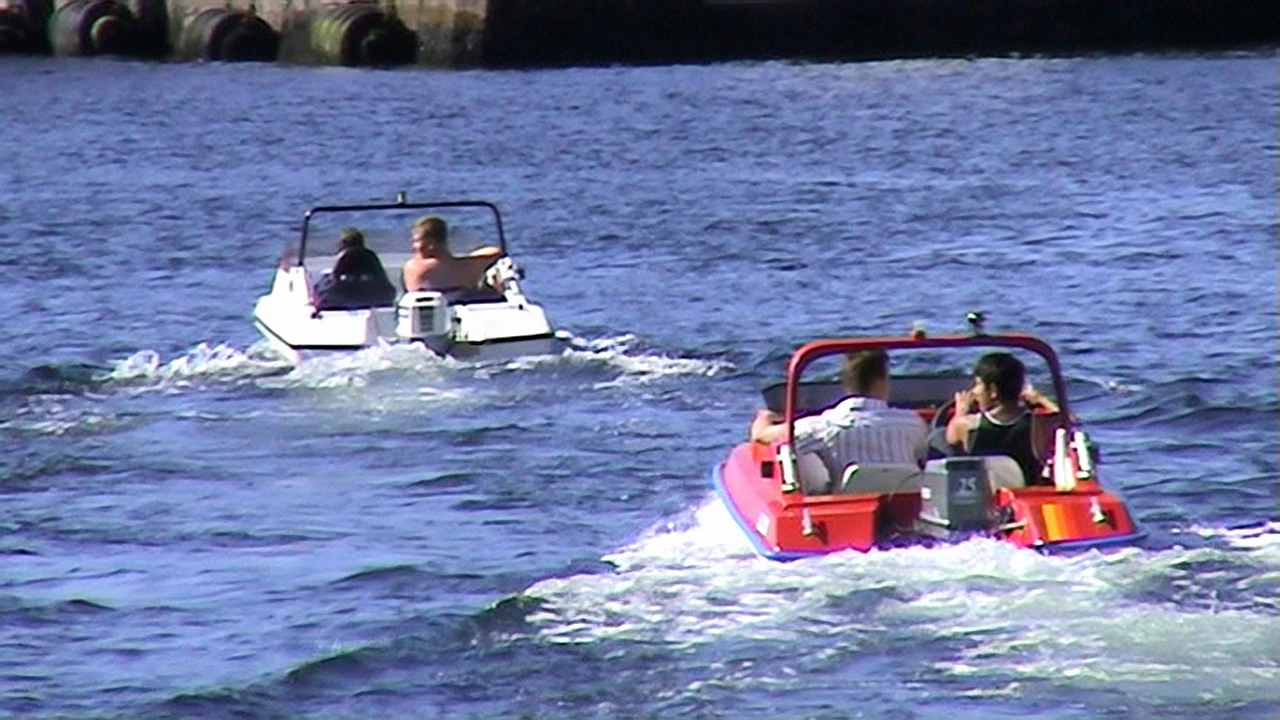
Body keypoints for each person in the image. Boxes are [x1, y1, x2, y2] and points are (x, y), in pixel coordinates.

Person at [749, 349, 929, 468]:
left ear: (847, 384)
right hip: (907, 506)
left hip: (847, 507)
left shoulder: (822, 427)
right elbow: (922, 453)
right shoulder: (913, 424)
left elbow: (761, 435)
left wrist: (764, 418)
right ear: (881, 381)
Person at [944, 351, 1060, 484]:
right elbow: (1067, 422)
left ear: (993, 391)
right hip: (1024, 492)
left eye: (978, 384)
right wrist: (1040, 399)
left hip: (983, 492)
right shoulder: (1038, 424)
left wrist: (960, 412)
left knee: (937, 436)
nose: (974, 391)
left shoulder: (966, 425)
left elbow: (950, 439)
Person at [402, 215, 504, 293]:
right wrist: (467, 260)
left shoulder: (412, 267)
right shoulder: (464, 268)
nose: (413, 247)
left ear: (431, 244)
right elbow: (495, 252)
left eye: (416, 241)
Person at [313, 227, 396, 310]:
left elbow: (333, 279)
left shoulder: (343, 258)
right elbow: (384, 281)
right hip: (373, 298)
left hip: (342, 298)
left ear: (342, 243)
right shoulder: (370, 256)